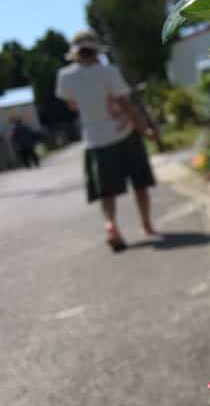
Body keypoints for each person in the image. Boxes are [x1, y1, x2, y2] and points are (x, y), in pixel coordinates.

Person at [56, 30, 158, 252]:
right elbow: (125, 104)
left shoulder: (65, 76)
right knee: (139, 183)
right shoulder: (108, 71)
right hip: (124, 133)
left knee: (107, 191)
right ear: (96, 50)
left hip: (95, 139)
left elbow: (72, 105)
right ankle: (147, 224)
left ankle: (111, 225)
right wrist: (144, 129)